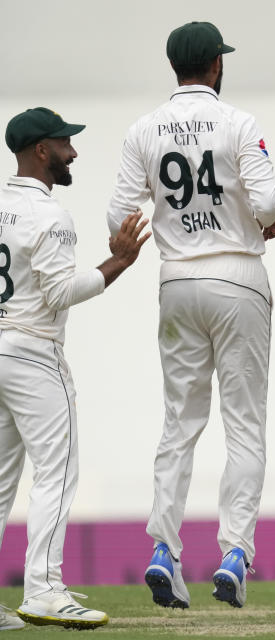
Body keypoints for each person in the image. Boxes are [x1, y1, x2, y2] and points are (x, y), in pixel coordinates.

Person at [106, 22, 275, 609]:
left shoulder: (143, 130)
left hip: (176, 281)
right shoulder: (239, 123)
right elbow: (270, 204)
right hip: (237, 276)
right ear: (214, 65)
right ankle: (234, 552)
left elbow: (118, 217)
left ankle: (164, 550)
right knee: (245, 426)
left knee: (179, 423)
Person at [0, 107, 150, 629]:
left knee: (0, 481)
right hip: (33, 352)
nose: (73, 152)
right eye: (65, 143)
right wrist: (120, 262)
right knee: (57, 472)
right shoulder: (50, 215)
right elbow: (61, 291)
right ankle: (43, 589)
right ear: (41, 150)